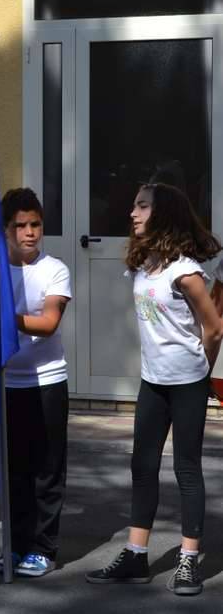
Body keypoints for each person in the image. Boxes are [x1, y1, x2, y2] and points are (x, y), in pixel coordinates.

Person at [86, 183, 223, 596]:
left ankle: (187, 560)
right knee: (142, 467)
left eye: (141, 206)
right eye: (134, 204)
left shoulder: (186, 272)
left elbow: (214, 326)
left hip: (187, 384)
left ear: (163, 213)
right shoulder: (144, 263)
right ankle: (135, 555)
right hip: (152, 381)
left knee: (186, 469)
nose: (132, 213)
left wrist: (201, 370)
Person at [0, 188, 71, 578]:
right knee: (15, 470)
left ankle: (43, 547)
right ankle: (16, 544)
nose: (29, 233)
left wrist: (5, 316)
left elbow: (49, 322)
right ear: (6, 230)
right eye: (20, 226)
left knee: (46, 468)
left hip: (47, 382)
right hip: (7, 383)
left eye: (35, 224)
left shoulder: (55, 269)